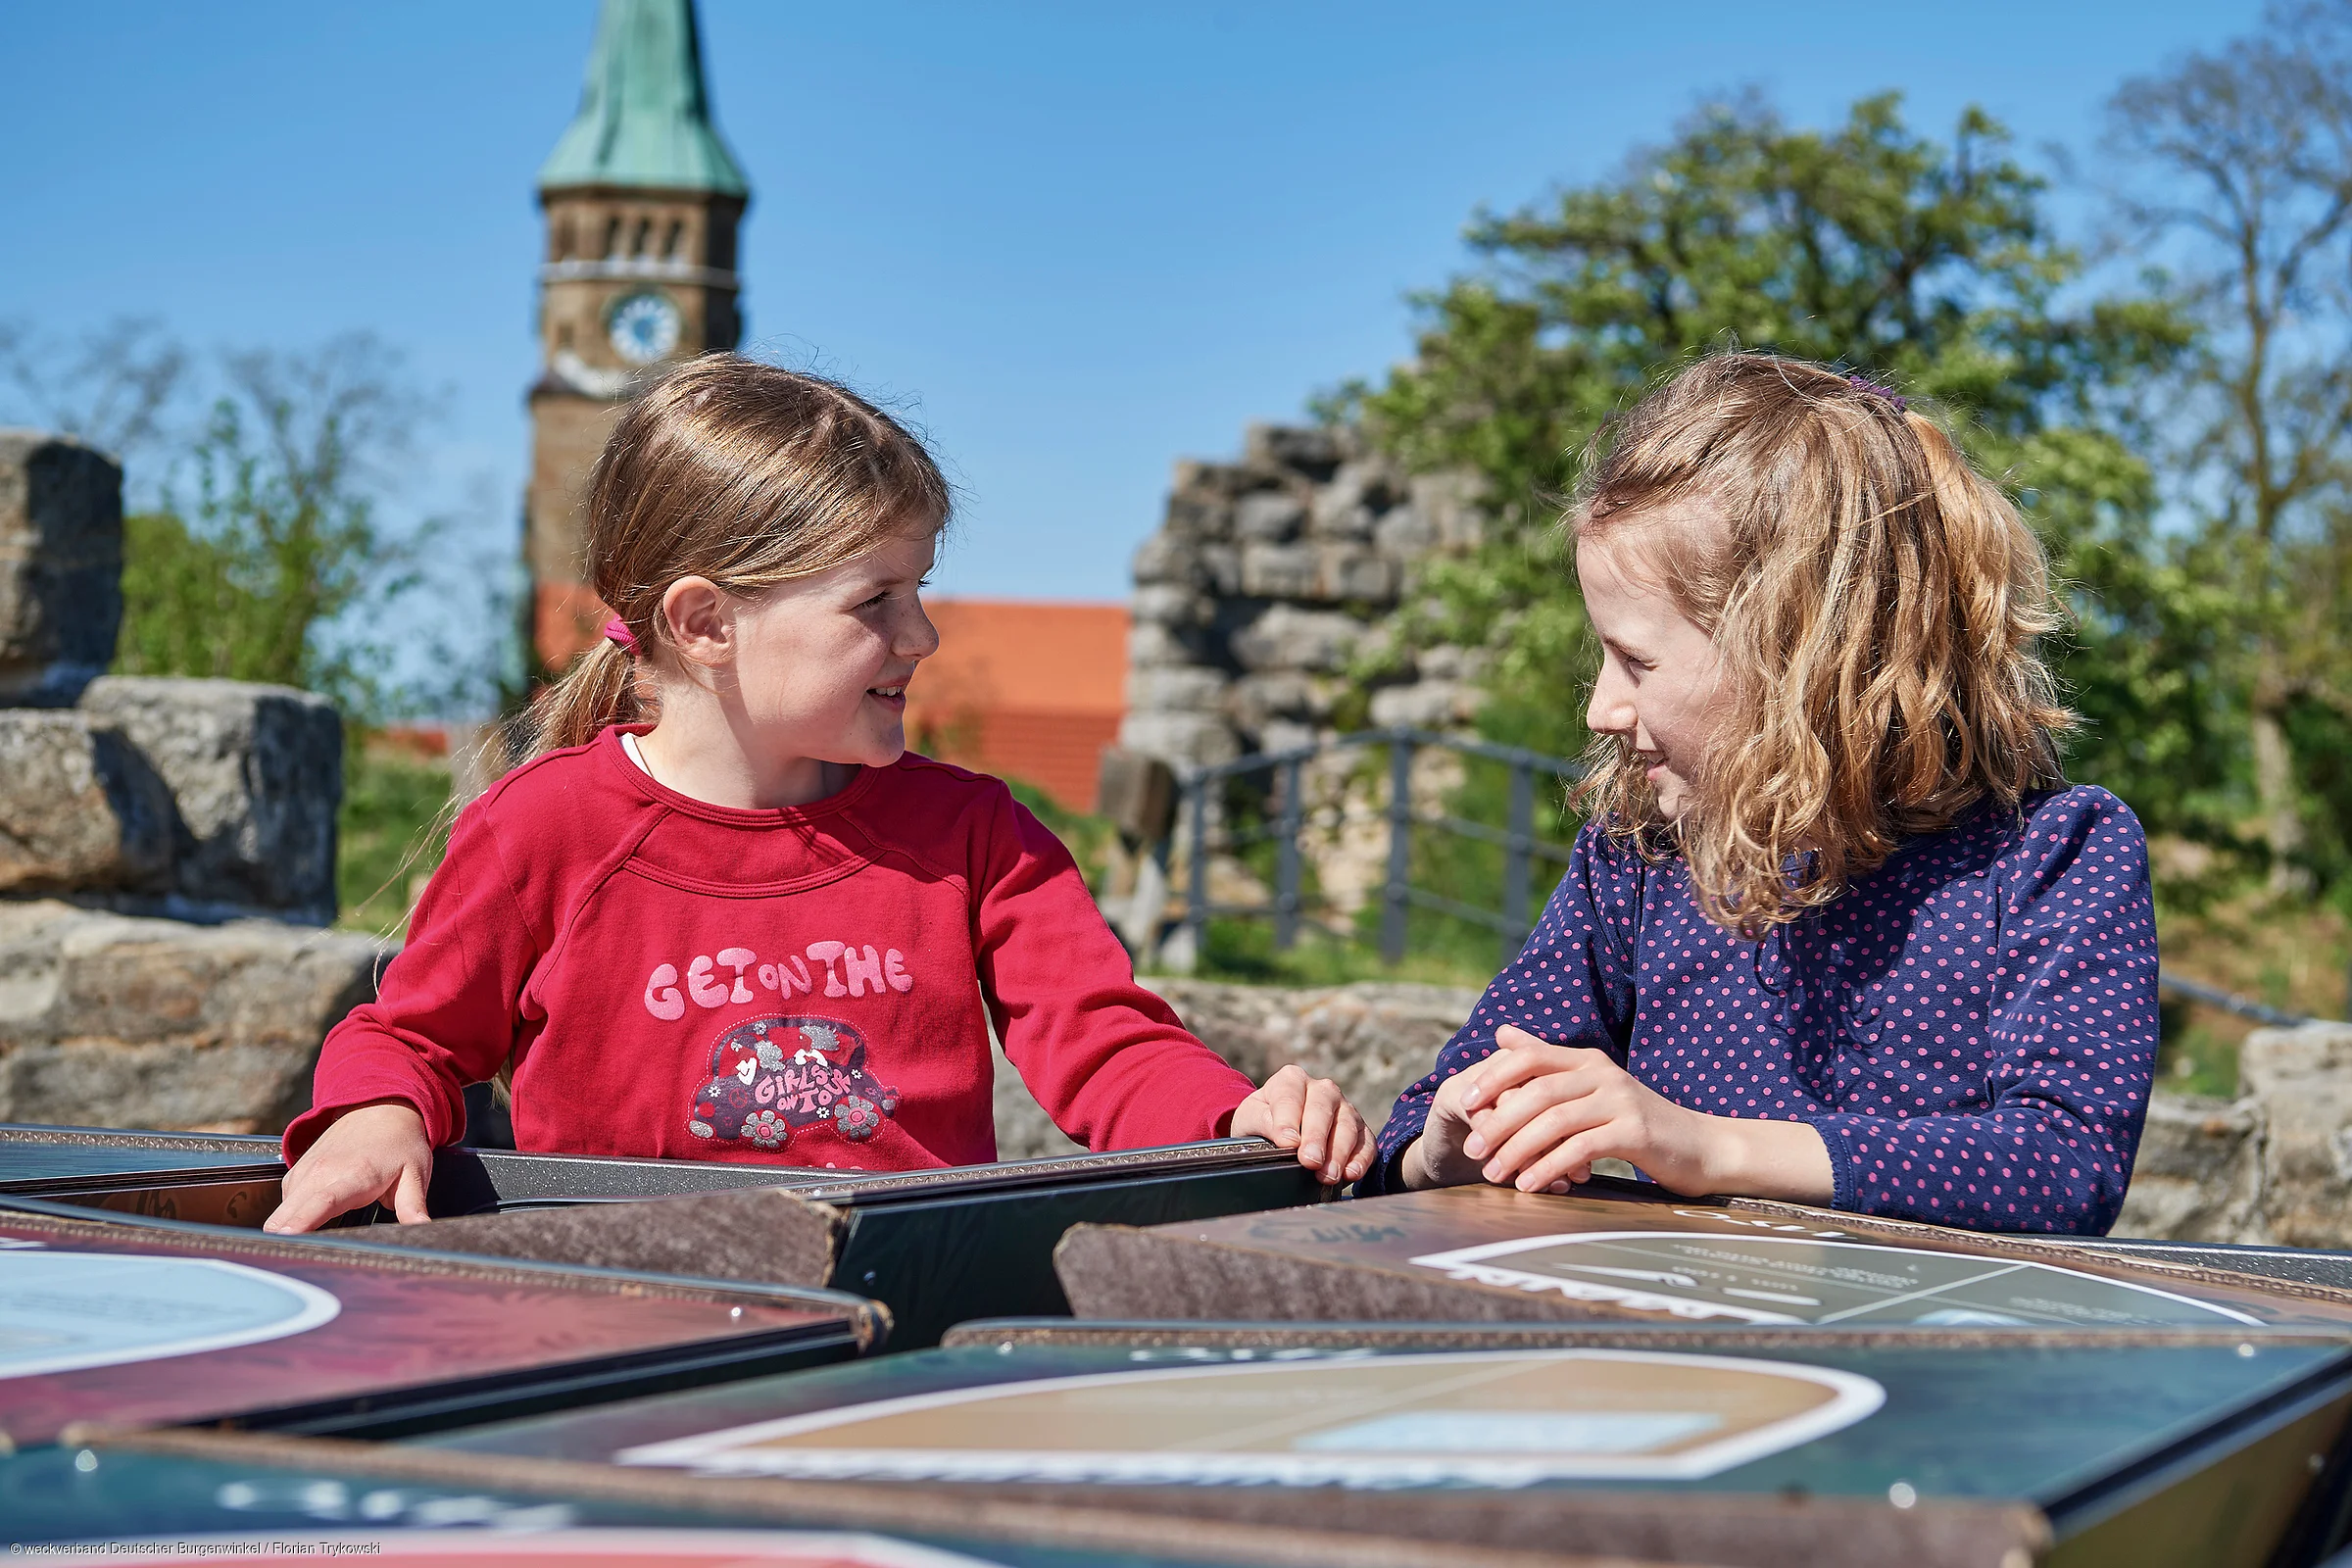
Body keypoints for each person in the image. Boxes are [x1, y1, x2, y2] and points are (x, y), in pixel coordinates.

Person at [266, 356, 1370, 1234]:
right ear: (705, 624)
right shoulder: (543, 826)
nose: (921, 635)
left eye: (920, 587)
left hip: (902, 1309)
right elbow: (409, 1037)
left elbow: (1105, 1043)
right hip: (622, 1306)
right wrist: (373, 1116)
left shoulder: (977, 837)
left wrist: (1232, 1114)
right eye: (875, 599)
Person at [1363, 352, 2157, 1235]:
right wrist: (1445, 1146)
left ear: (1801, 658)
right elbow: (1425, 1116)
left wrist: (1707, 1150)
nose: (1600, 707)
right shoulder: (1639, 859)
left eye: (1637, 660)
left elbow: (2062, 1168)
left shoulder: (2052, 855)